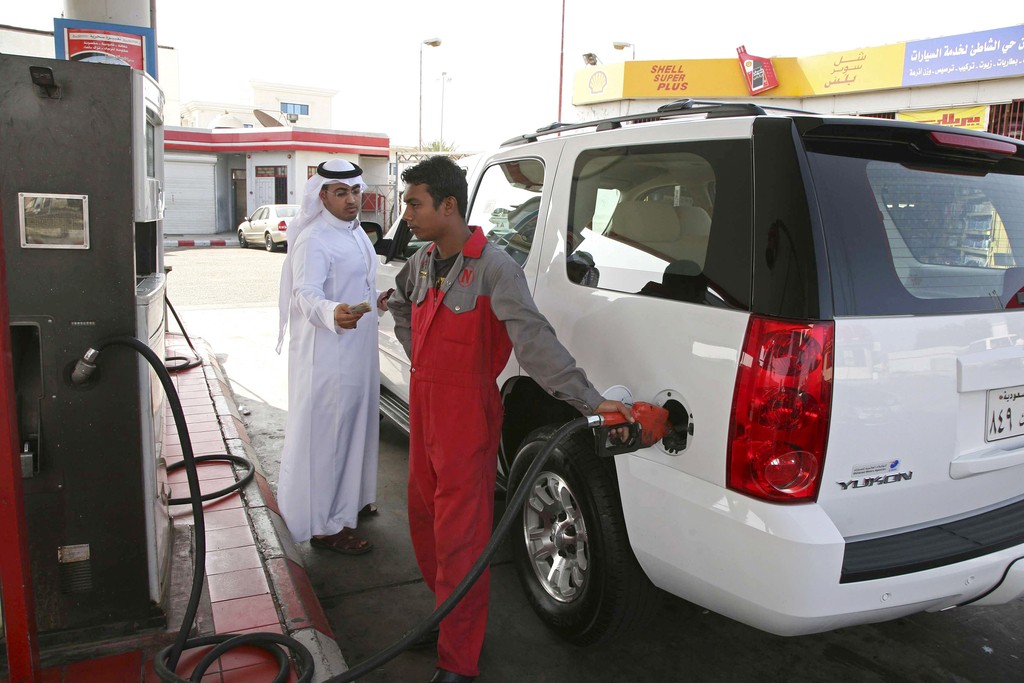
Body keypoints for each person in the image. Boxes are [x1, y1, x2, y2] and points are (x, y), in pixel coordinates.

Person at [388, 156, 633, 683]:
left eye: (414, 203)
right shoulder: (423, 262)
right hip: (425, 406)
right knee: (425, 524)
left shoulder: (496, 269)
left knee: (460, 540)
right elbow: (399, 303)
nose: (406, 214)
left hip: (466, 417)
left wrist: (590, 401)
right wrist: (418, 356)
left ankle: (458, 659)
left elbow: (535, 342)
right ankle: (442, 616)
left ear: (448, 206)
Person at [275, 159, 390, 554]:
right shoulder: (315, 238)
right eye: (341, 193)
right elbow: (304, 294)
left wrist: (377, 301)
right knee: (330, 438)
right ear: (322, 195)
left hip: (358, 353)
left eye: (355, 191)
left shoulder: (356, 234)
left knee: (356, 427)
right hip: (328, 357)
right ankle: (325, 526)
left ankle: (350, 503)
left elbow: (356, 287)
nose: (351, 200)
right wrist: (330, 312)